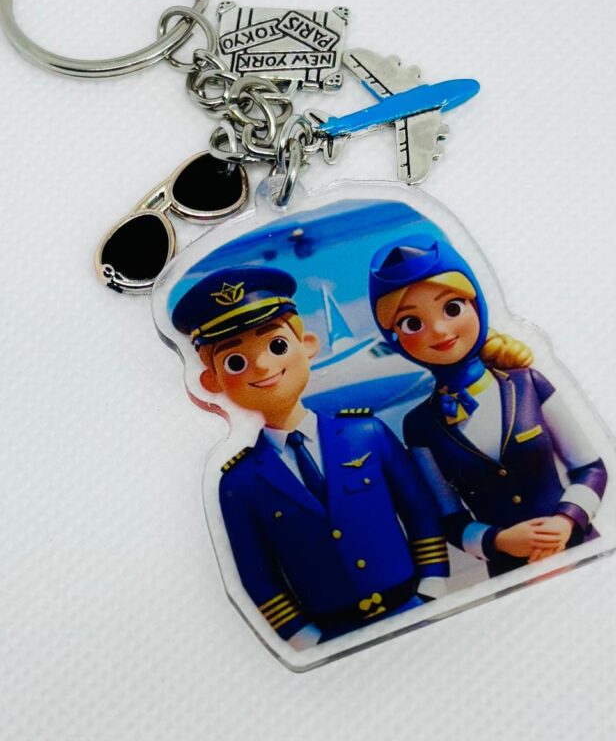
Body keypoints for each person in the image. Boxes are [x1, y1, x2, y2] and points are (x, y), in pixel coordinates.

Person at [171, 264, 449, 649]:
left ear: (308, 345)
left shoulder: (366, 434)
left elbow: (420, 512)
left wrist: (433, 585)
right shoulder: (239, 483)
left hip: (412, 608)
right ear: (212, 381)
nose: (263, 366)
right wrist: (304, 639)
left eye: (277, 346)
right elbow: (255, 573)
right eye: (236, 362)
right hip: (332, 637)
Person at [369, 233, 608, 577]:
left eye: (452, 308)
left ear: (476, 305)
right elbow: (449, 517)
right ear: (394, 338)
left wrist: (567, 518)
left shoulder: (529, 384)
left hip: (583, 552)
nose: (439, 330)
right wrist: (498, 541)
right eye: (412, 323)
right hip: (511, 576)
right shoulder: (420, 425)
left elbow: (591, 468)